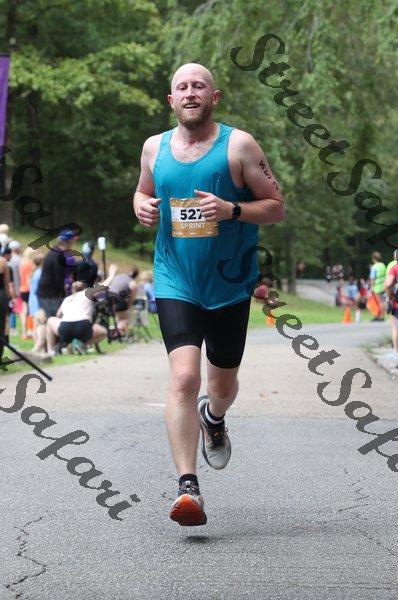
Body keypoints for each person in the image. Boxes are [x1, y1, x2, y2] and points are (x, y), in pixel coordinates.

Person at [133, 63, 285, 526]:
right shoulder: (154, 148)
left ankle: (213, 419)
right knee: (184, 378)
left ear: (213, 97)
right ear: (171, 100)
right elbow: (142, 193)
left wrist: (231, 209)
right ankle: (188, 488)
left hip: (230, 284)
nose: (190, 92)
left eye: (199, 85)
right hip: (175, 278)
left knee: (221, 387)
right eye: (182, 87)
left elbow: (276, 207)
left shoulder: (239, 145)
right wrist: (141, 206)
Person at [46, 280, 107, 354]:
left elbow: (58, 315)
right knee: (104, 332)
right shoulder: (86, 293)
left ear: (72, 290)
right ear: (84, 288)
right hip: (83, 327)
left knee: (50, 320)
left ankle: (50, 350)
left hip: (65, 328)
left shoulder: (67, 299)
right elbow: (101, 287)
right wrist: (112, 275)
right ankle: (82, 345)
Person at [37, 230, 77, 318]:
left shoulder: (55, 251)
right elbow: (59, 278)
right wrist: (64, 294)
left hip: (46, 292)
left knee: (49, 319)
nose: (74, 242)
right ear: (68, 241)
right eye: (73, 240)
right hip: (49, 295)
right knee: (54, 319)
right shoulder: (58, 255)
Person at [108, 265, 139, 335]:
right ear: (136, 275)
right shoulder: (132, 282)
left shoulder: (118, 276)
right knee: (124, 318)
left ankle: (117, 331)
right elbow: (131, 299)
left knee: (118, 316)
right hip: (117, 297)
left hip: (107, 296)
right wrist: (128, 306)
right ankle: (118, 333)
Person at [385, 250, 398, 368]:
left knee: (396, 328)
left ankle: (397, 353)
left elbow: (388, 284)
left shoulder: (395, 268)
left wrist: (390, 297)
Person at [19, 247, 35, 339]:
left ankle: (25, 332)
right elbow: (29, 278)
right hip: (29, 289)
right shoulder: (30, 264)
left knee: (24, 311)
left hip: (22, 288)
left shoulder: (22, 263)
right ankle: (31, 331)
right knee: (31, 310)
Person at [0, 252, 11, 363]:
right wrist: (9, 298)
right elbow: (7, 283)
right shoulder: (3, 261)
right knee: (1, 326)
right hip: (1, 295)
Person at [369, 251, 386, 321]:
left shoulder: (374, 266)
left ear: (374, 259)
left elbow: (372, 278)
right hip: (383, 285)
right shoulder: (383, 265)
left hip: (377, 286)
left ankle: (380, 316)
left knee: (379, 302)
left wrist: (371, 287)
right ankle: (380, 315)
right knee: (382, 301)